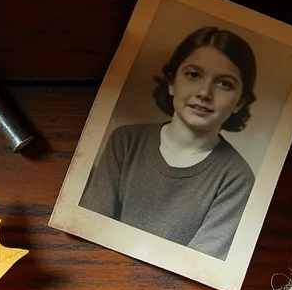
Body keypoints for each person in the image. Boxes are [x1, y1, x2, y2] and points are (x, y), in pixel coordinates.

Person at [79, 26, 257, 260]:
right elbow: (89, 228)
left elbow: (198, 265)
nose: (204, 92)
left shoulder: (237, 178)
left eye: (224, 83)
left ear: (239, 102)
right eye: (194, 75)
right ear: (172, 82)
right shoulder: (125, 141)